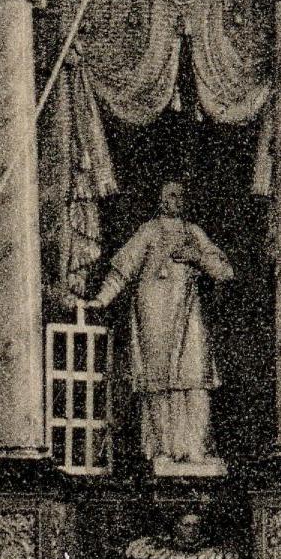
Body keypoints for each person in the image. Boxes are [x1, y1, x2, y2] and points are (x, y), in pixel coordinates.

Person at [89, 180, 236, 473]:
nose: (176, 200)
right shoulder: (149, 231)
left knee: (194, 379)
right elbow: (122, 269)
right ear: (161, 199)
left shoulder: (193, 233)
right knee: (157, 384)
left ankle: (194, 449)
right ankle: (163, 449)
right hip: (154, 316)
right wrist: (102, 299)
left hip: (188, 317)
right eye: (170, 195)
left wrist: (197, 257)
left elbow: (224, 271)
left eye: (180, 196)